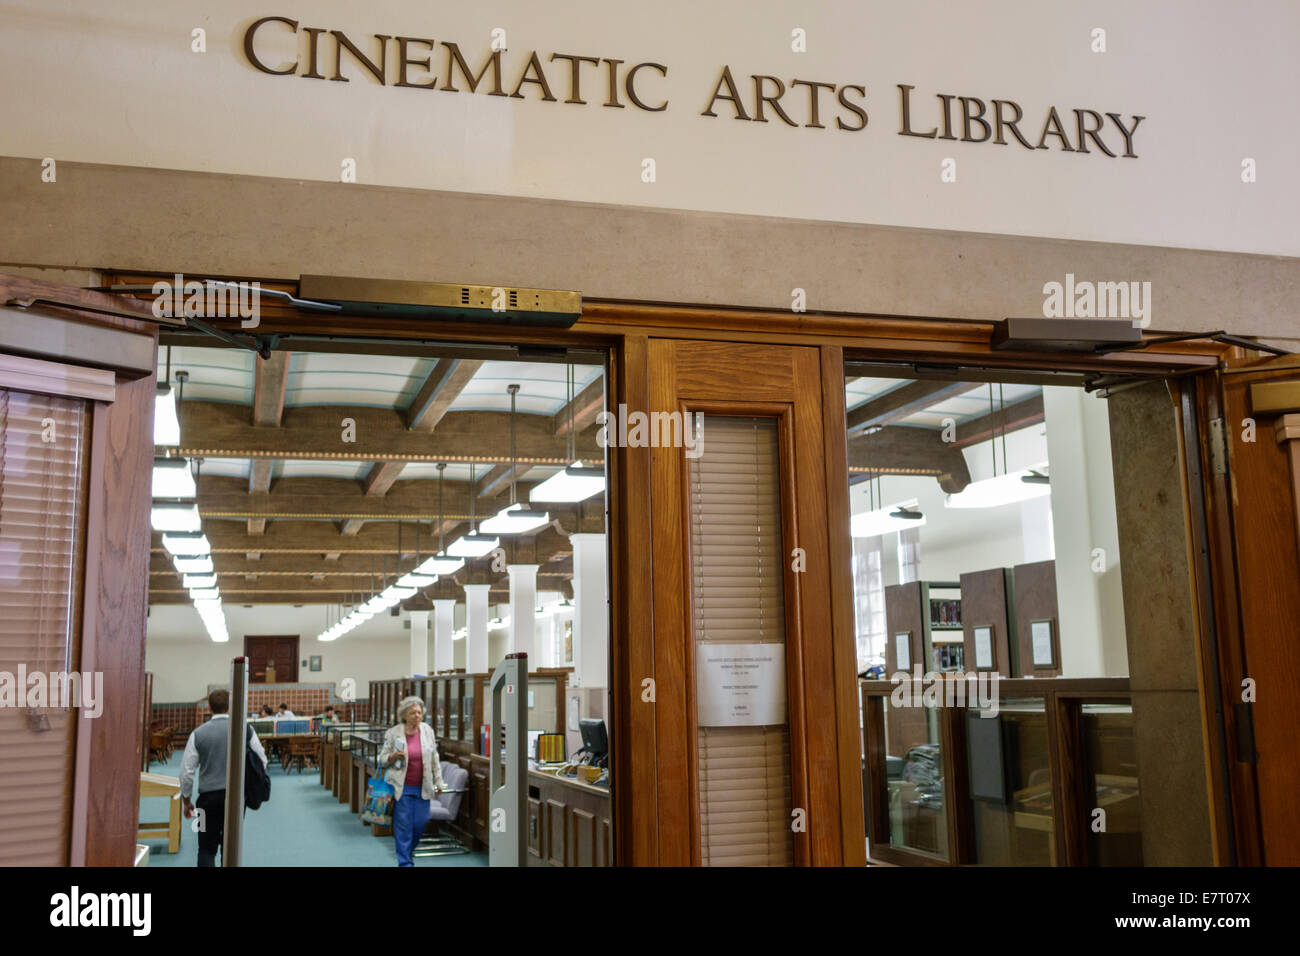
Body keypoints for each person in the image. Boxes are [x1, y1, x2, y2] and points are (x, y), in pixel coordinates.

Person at [179, 689, 269, 867]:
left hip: (206, 801)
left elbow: (186, 772)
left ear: (209, 707)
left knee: (205, 848)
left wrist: (186, 800)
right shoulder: (245, 730)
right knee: (230, 848)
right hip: (236, 799)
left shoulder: (198, 734)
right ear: (229, 707)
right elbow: (262, 761)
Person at [377, 696, 445, 867]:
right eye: (412, 713)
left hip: (423, 788)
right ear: (404, 715)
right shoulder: (394, 733)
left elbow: (434, 759)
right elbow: (382, 759)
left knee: (419, 825)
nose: (417, 716)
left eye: (419, 712)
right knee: (403, 829)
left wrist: (439, 782)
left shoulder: (427, 731)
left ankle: (407, 853)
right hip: (402, 789)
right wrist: (393, 756)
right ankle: (405, 863)